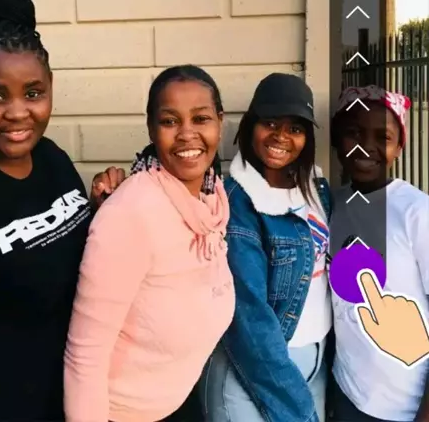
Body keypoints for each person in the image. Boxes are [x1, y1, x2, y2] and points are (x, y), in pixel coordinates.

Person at [0, 0, 123, 422]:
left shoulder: (51, 158)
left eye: (32, 93)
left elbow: (59, 247)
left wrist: (99, 210)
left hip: (68, 397)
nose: (17, 112)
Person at [64, 65, 236, 422]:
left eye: (201, 119)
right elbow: (85, 357)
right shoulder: (130, 214)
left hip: (178, 403)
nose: (187, 134)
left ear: (220, 123)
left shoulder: (211, 198)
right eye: (170, 121)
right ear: (151, 128)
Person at [200, 73, 332, 422]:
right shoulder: (239, 202)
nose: (281, 136)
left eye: (295, 128)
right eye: (270, 123)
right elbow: (250, 319)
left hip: (314, 362)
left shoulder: (317, 189)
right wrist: (298, 408)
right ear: (250, 125)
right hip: (255, 372)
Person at [328, 85, 429, 422]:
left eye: (382, 137)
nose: (364, 145)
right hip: (347, 394)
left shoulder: (416, 212)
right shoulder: (330, 205)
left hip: (406, 407)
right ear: (337, 140)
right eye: (353, 133)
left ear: (399, 146)